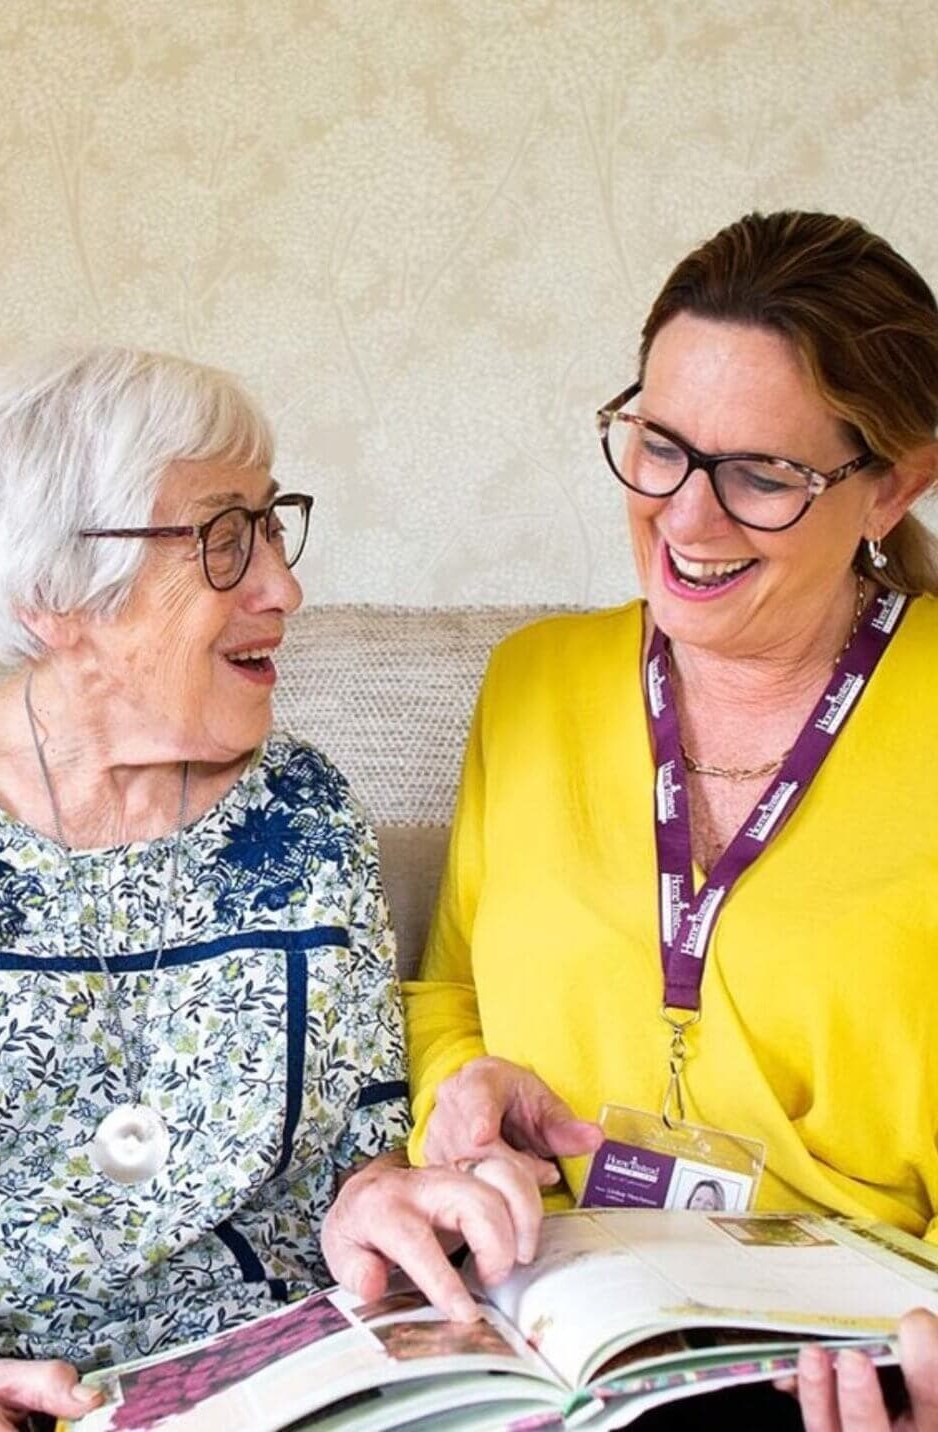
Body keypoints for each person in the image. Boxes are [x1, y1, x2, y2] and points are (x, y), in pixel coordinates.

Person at [404, 212, 938, 1429]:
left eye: (762, 474)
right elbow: (447, 995)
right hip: (546, 1328)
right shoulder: (533, 680)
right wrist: (460, 1090)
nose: (685, 520)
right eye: (658, 446)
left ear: (893, 484)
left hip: (842, 1365)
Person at [0, 346, 537, 1428]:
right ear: (54, 593)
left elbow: (359, 1151)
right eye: (222, 538)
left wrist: (380, 1198)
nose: (282, 585)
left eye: (269, 523)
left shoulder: (298, 809)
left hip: (303, 1378)